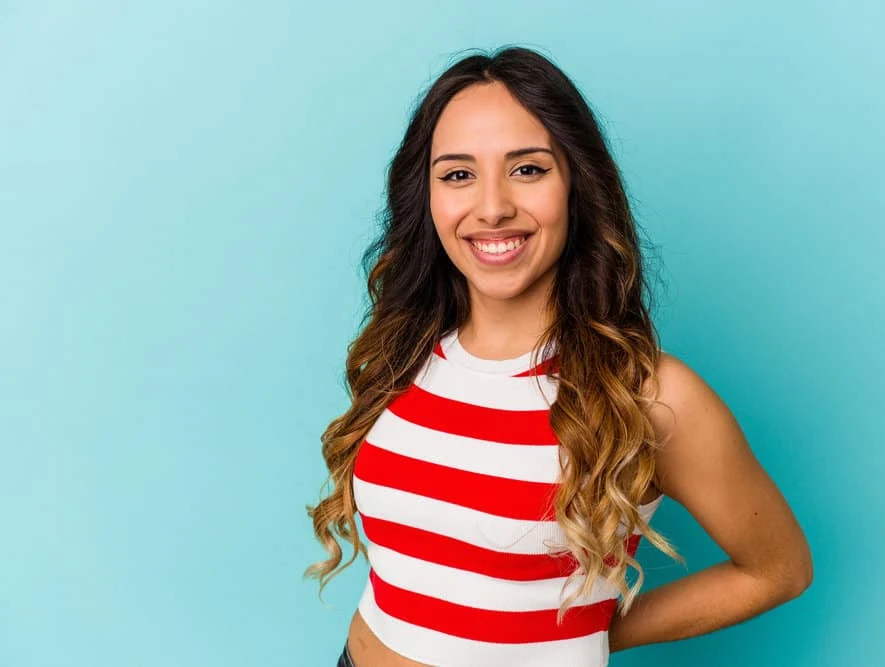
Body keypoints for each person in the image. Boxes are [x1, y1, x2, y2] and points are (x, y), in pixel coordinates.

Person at [306, 45, 812, 667]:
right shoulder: (402, 353)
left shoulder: (652, 395)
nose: (491, 207)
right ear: (428, 197)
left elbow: (778, 570)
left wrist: (576, 634)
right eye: (458, 174)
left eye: (527, 169)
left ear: (577, 184)